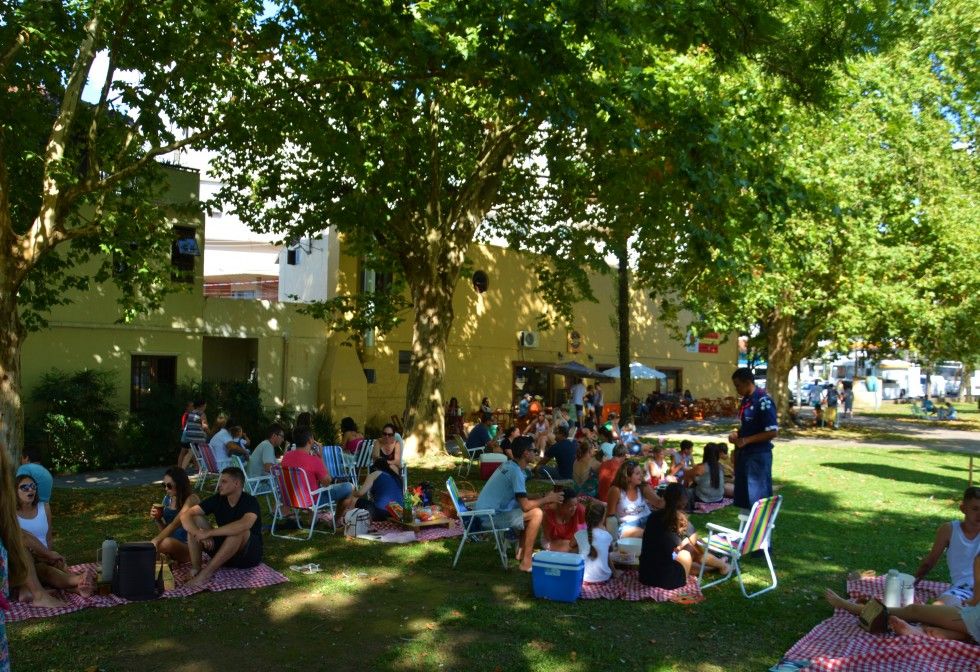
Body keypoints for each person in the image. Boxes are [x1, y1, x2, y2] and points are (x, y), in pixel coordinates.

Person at [473, 436, 564, 572]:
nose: (536, 453)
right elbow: (525, 506)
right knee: (536, 513)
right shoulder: (516, 472)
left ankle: (521, 553)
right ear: (525, 453)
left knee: (534, 510)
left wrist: (543, 496)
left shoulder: (510, 465)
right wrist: (547, 499)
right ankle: (526, 562)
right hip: (489, 518)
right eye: (534, 450)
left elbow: (520, 496)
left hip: (485, 512)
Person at [824, 574, 980, 643]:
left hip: (973, 618)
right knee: (948, 603)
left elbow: (975, 598)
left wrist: (972, 601)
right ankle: (937, 633)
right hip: (973, 622)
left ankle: (852, 607)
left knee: (914, 611)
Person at [179, 467, 263, 588]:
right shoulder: (218, 498)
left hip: (247, 555)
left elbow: (245, 524)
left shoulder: (250, 501)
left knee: (240, 531)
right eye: (220, 481)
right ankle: (196, 568)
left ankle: (205, 575)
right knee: (196, 518)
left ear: (236, 483)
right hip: (225, 551)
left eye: (224, 482)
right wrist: (198, 533)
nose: (219, 485)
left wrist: (209, 533)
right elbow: (186, 515)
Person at [15, 475, 93, 597]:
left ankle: (79, 587)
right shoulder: (11, 514)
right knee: (44, 570)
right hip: (25, 559)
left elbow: (48, 538)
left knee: (57, 567)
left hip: (45, 554)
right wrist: (47, 555)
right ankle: (79, 580)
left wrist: (50, 556)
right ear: (15, 492)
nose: (30, 490)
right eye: (24, 487)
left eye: (32, 486)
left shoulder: (44, 507)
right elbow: (22, 539)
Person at [638, 483, 728, 589]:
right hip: (667, 580)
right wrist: (684, 544)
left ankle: (716, 566)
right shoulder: (681, 520)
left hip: (645, 575)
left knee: (683, 553)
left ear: (664, 497)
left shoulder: (652, 517)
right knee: (690, 549)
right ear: (684, 502)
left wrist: (681, 545)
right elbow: (697, 545)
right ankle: (722, 565)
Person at [914, 486, 980, 606]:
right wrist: (913, 582)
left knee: (941, 610)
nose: (979, 514)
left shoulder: (948, 530)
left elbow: (930, 561)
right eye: (975, 509)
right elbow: (929, 562)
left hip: (971, 591)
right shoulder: (949, 530)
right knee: (940, 607)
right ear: (963, 508)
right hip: (961, 590)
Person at [728, 367, 778, 512]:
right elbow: (746, 425)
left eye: (738, 385)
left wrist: (747, 440)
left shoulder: (763, 401)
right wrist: (736, 434)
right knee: (744, 498)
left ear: (748, 382)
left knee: (758, 499)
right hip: (744, 455)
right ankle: (747, 532)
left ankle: (761, 532)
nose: (736, 389)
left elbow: (772, 432)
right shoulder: (746, 400)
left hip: (758, 457)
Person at [282, 427, 356, 517]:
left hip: (291, 499)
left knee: (311, 486)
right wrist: (321, 458)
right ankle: (337, 520)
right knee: (349, 487)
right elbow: (327, 482)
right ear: (310, 440)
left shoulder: (286, 456)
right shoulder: (313, 460)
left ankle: (312, 519)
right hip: (310, 500)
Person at [150, 467, 201, 563]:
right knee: (146, 546)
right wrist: (158, 519)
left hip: (190, 548)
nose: (166, 489)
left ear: (179, 484)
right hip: (172, 545)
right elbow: (166, 531)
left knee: (160, 544)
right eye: (164, 485)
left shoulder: (192, 499)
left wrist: (156, 540)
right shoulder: (167, 499)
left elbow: (175, 524)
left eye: (169, 486)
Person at [605, 460, 662, 539]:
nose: (641, 475)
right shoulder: (616, 490)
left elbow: (659, 503)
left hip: (647, 519)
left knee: (662, 529)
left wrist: (671, 495)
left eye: (641, 472)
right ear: (627, 477)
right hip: (627, 525)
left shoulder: (643, 487)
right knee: (647, 533)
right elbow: (610, 516)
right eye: (637, 473)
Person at [575, 501, 615, 584]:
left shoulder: (578, 534)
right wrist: (614, 572)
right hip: (604, 577)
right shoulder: (607, 536)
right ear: (603, 518)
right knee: (605, 551)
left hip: (583, 577)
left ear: (586, 517)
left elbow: (570, 545)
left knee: (576, 548)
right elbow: (609, 552)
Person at [542, 487, 585, 552]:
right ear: (560, 505)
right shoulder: (549, 514)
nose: (574, 508)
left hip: (574, 541)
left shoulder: (580, 510)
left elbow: (583, 531)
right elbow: (548, 537)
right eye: (570, 506)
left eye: (575, 505)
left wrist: (573, 543)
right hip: (553, 541)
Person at [684, 442, 726, 507]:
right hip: (719, 498)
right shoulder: (720, 466)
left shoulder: (701, 467)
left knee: (688, 487)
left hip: (703, 499)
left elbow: (687, 474)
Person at [178, 398, 208, 470]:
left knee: (190, 453)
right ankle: (206, 468)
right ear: (202, 406)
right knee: (206, 451)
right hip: (198, 438)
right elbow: (205, 426)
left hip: (190, 437)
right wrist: (210, 432)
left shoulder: (191, 413)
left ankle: (182, 470)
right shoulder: (201, 414)